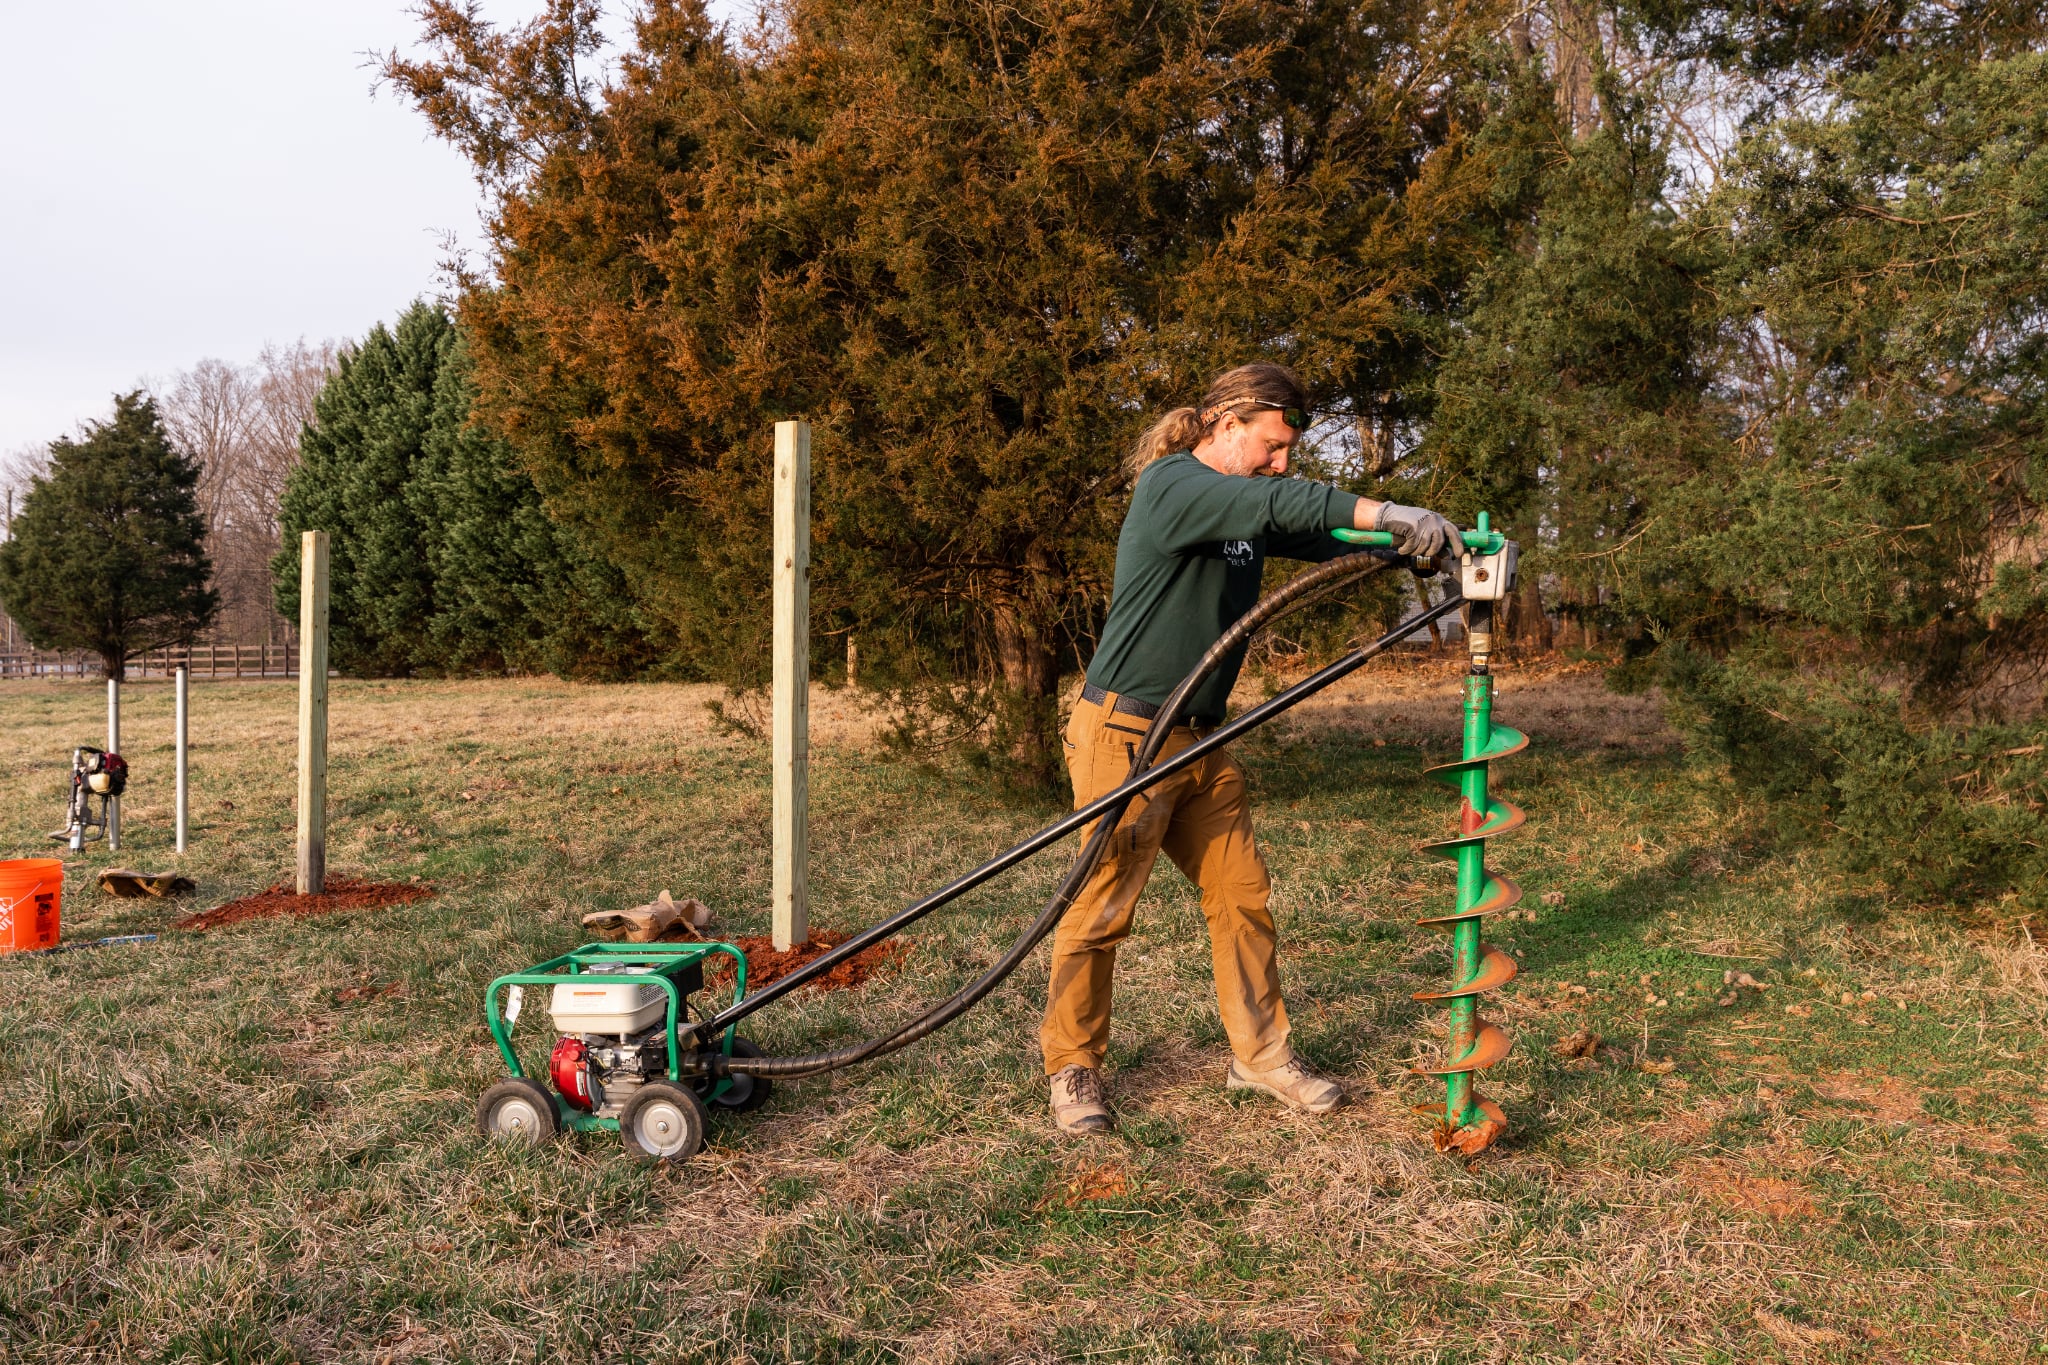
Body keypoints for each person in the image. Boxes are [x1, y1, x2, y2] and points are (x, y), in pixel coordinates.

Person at [1044, 362, 1462, 1136]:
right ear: (1224, 424)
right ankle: (1073, 1065)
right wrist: (1389, 503)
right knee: (1100, 906)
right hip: (1126, 737)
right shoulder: (1173, 484)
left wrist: (1404, 539)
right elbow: (1281, 501)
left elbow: (1315, 526)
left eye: (1286, 451)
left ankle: (1261, 1056)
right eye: (1268, 446)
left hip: (1206, 737)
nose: (1279, 463)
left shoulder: (1245, 505)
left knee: (1242, 898)